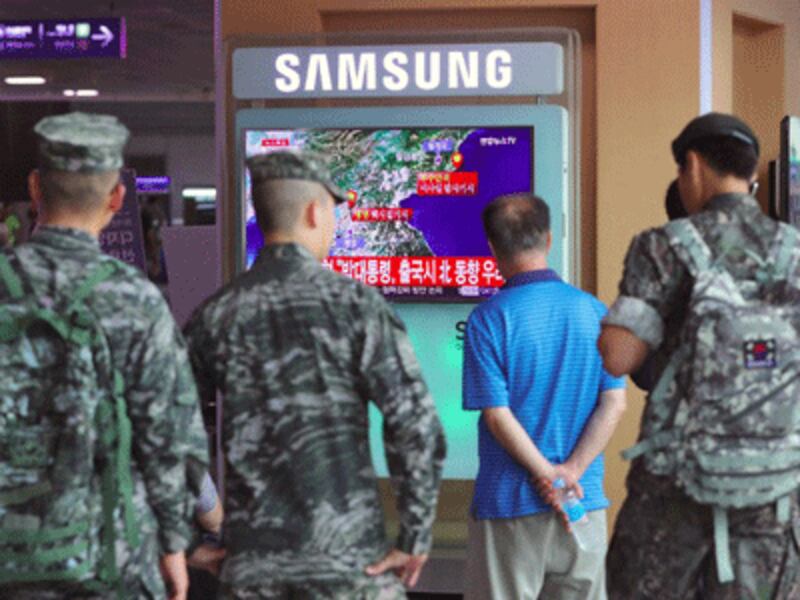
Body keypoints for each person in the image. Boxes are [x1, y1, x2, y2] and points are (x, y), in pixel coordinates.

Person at [184, 151, 446, 599]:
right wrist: (414, 536)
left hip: (253, 571)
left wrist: (184, 542)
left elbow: (165, 433)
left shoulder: (214, 315)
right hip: (351, 569)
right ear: (313, 211)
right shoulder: (359, 307)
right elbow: (415, 427)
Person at [0, 112, 209, 600]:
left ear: (35, 188)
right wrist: (174, 546)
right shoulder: (135, 299)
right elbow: (168, 437)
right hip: (109, 557)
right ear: (117, 198)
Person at [599, 112, 800, 599]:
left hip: (675, 489)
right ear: (751, 173)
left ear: (691, 165)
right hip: (772, 489)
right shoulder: (794, 250)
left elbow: (619, 357)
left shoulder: (662, 247)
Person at [461, 193, 627, 600]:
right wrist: (568, 473)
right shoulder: (595, 311)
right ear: (549, 239)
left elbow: (497, 416)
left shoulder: (489, 318)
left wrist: (545, 475)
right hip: (582, 504)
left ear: (492, 247)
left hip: (510, 506)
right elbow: (615, 402)